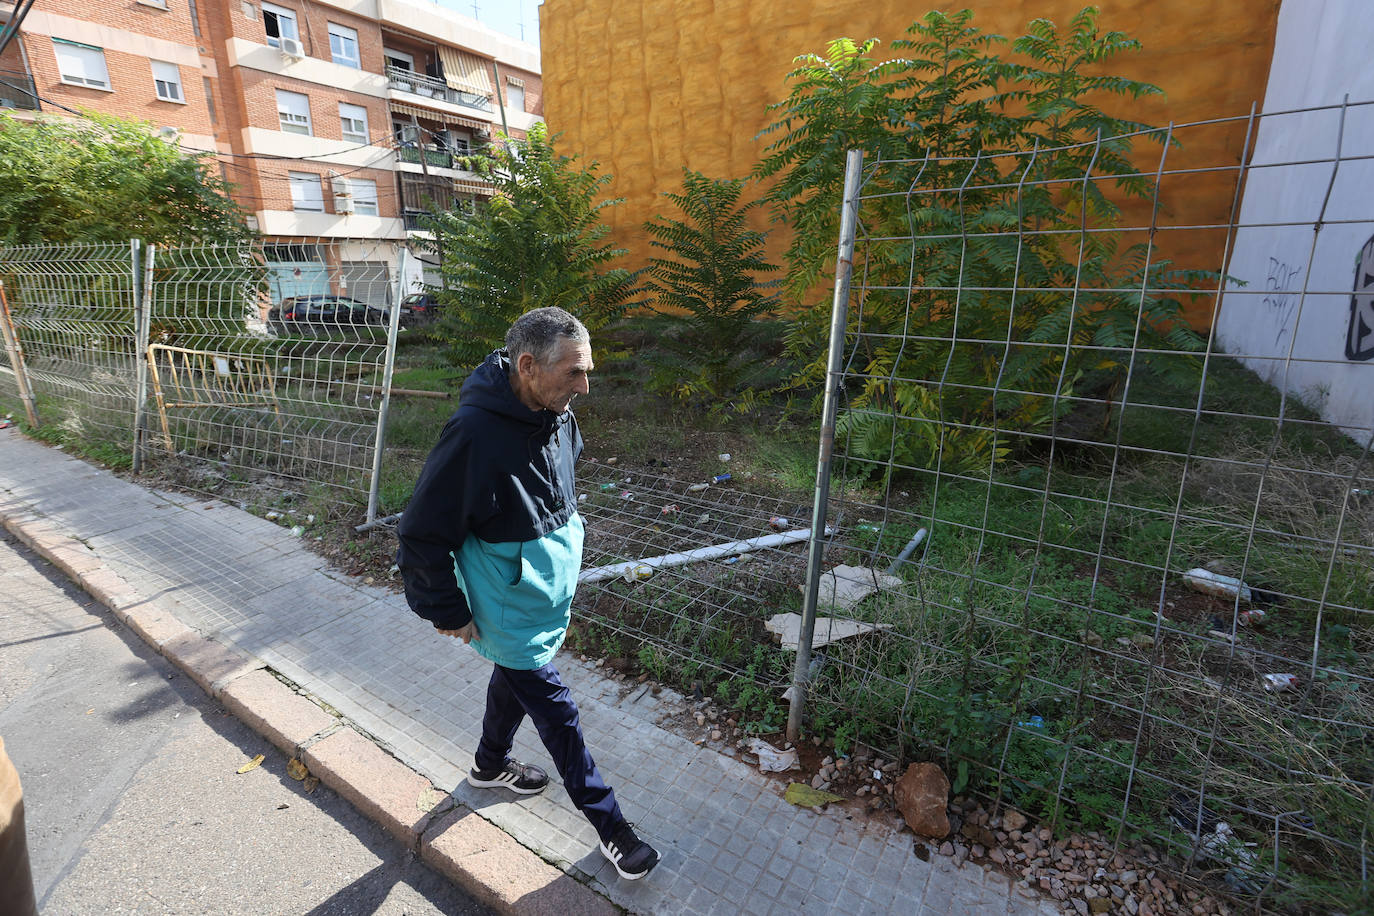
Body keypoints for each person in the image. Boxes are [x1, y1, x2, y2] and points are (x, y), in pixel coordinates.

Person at [396, 307, 660, 881]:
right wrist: (447, 610)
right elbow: (420, 533)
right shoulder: (473, 435)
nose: (584, 387)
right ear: (527, 366)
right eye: (573, 373)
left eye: (587, 371)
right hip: (505, 601)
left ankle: (489, 765)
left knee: (514, 676)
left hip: (540, 594)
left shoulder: (554, 411)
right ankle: (612, 828)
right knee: (556, 709)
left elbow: (558, 480)